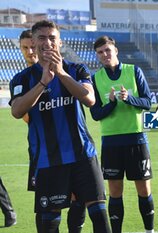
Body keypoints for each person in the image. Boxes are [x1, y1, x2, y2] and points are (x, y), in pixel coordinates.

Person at [9, 20, 111, 233]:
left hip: (83, 155)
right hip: (48, 160)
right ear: (34, 42)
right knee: (49, 224)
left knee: (100, 217)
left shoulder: (76, 69)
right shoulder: (23, 78)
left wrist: (61, 74)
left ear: (60, 42)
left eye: (52, 37)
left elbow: (89, 99)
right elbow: (17, 110)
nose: (48, 42)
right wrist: (43, 82)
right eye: (42, 38)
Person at [19, 29, 87, 233]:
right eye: (25, 48)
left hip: (71, 148)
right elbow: (25, 115)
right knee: (46, 204)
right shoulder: (24, 78)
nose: (30, 51)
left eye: (32, 46)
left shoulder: (62, 70)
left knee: (78, 196)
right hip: (42, 151)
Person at [90, 36, 154, 233]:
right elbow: (95, 114)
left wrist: (129, 99)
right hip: (111, 142)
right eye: (100, 52)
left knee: (144, 190)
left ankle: (149, 230)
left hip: (136, 139)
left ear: (115, 50)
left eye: (107, 50)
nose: (104, 55)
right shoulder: (95, 78)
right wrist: (110, 104)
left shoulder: (134, 71)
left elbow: (148, 102)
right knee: (115, 192)